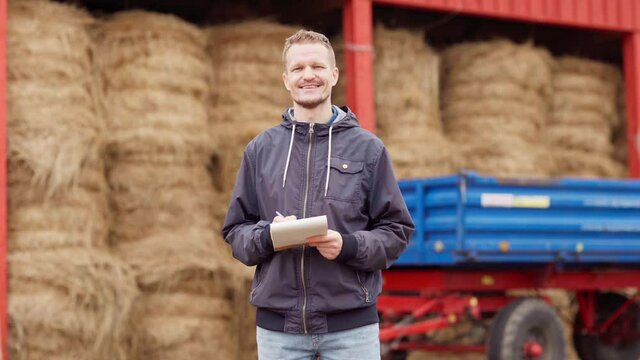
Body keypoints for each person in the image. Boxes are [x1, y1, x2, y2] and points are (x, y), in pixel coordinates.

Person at [223, 29, 415, 360]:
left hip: (351, 330)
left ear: (334, 75)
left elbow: (396, 231)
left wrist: (348, 245)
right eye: (298, 69)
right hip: (279, 332)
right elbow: (235, 232)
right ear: (286, 79)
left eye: (317, 66)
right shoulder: (260, 150)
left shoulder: (368, 149)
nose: (308, 75)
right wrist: (269, 236)